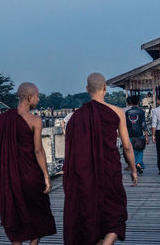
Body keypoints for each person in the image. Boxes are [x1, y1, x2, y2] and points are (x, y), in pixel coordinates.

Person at [63, 73, 138, 245]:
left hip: (84, 173)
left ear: (87, 89)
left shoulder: (76, 117)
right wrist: (133, 169)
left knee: (92, 216)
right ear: (105, 87)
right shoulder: (117, 112)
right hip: (109, 170)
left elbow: (72, 151)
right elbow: (127, 146)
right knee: (115, 213)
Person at [0, 82, 56, 245]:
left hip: (9, 176)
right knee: (40, 212)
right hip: (30, 175)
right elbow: (38, 150)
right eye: (37, 96)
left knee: (13, 212)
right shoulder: (35, 120)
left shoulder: (3, 119)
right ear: (29, 97)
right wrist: (46, 176)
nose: (39, 99)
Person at [125, 95, 150, 174]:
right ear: (139, 102)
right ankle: (138, 163)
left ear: (131, 102)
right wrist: (146, 135)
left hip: (130, 134)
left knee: (131, 151)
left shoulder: (127, 112)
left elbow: (125, 125)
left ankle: (133, 165)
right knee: (140, 150)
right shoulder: (141, 112)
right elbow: (143, 124)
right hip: (139, 134)